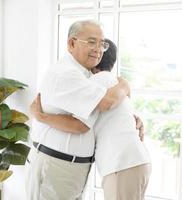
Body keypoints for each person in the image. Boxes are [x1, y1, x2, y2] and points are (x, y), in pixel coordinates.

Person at [30, 39, 151, 200]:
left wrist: (41, 117)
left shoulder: (98, 83)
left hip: (122, 163)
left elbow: (80, 125)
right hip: (133, 163)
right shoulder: (114, 82)